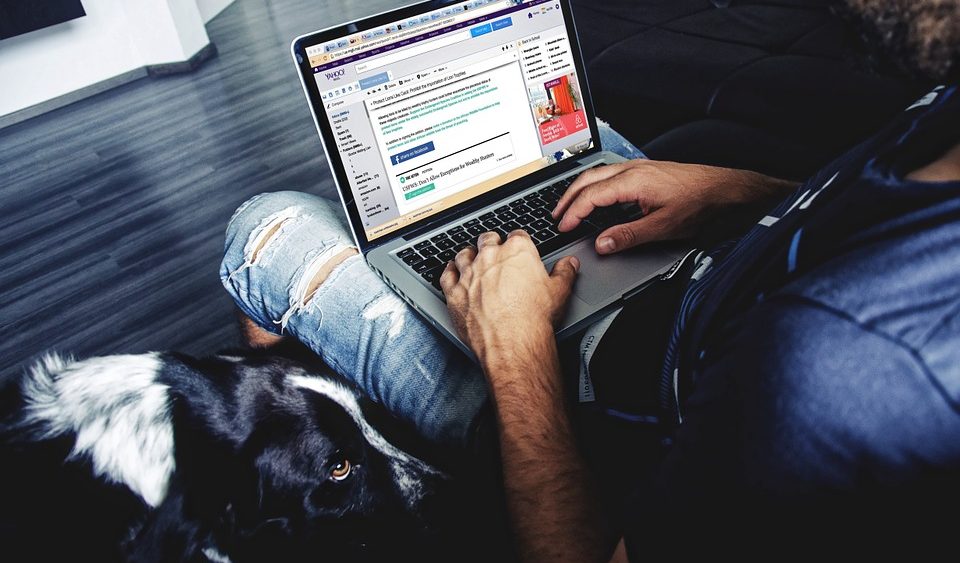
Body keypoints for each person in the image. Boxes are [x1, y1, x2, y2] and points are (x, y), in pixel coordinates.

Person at [220, 1, 960, 559]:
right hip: (702, 271)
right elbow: (860, 213)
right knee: (572, 153)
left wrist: (514, 350)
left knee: (265, 225)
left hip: (584, 403)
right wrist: (741, 188)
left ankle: (297, 454)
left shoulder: (842, 365)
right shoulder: (946, 110)